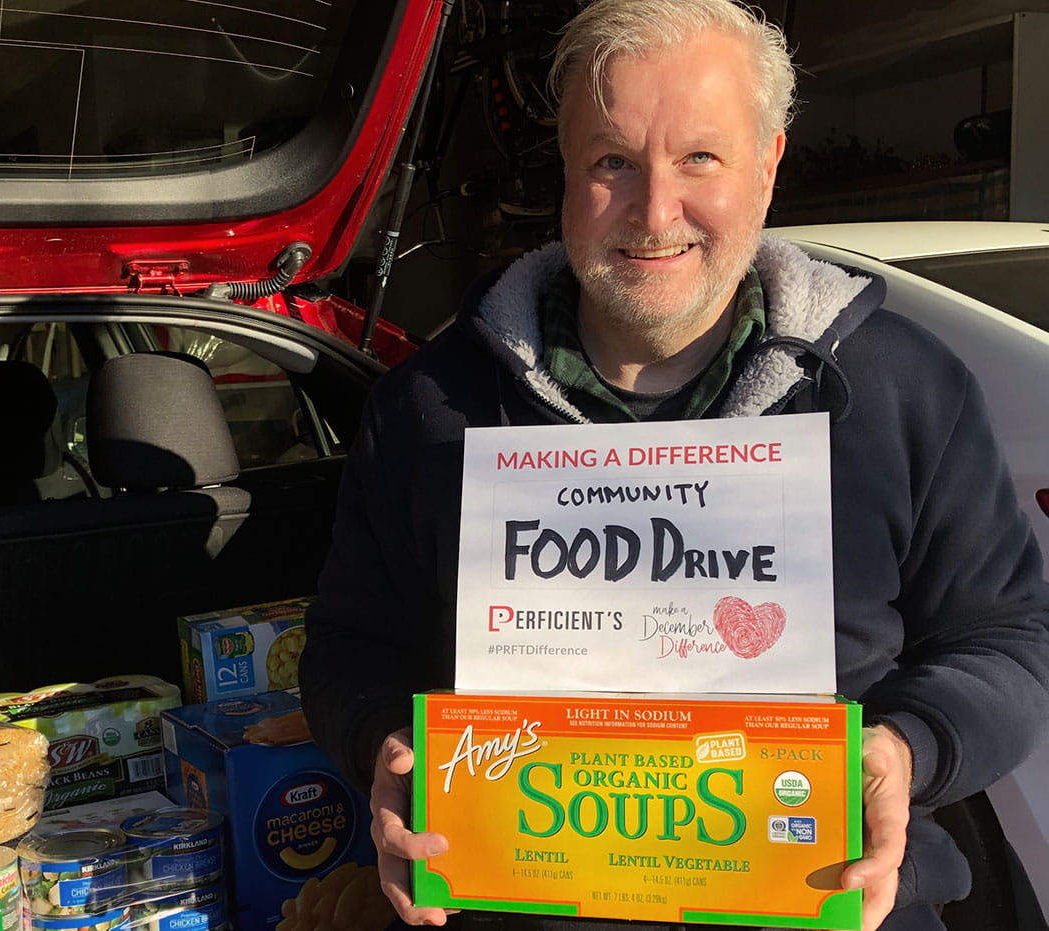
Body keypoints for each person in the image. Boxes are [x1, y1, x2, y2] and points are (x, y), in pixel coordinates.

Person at [299, 1, 1049, 929]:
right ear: (567, 173)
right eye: (612, 160)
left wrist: (910, 745)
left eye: (701, 157)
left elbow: (1011, 637)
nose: (655, 212)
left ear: (769, 165)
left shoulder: (902, 390)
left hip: (827, 905)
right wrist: (381, 736)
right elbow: (348, 646)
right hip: (520, 901)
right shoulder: (429, 409)